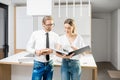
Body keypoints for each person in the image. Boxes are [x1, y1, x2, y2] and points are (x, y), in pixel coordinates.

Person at [26, 16, 59, 80]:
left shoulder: (56, 36)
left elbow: (58, 50)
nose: (51, 26)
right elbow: (28, 47)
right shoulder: (35, 34)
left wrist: (52, 51)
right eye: (48, 25)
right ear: (43, 24)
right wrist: (35, 51)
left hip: (50, 64)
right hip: (38, 63)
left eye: (52, 24)